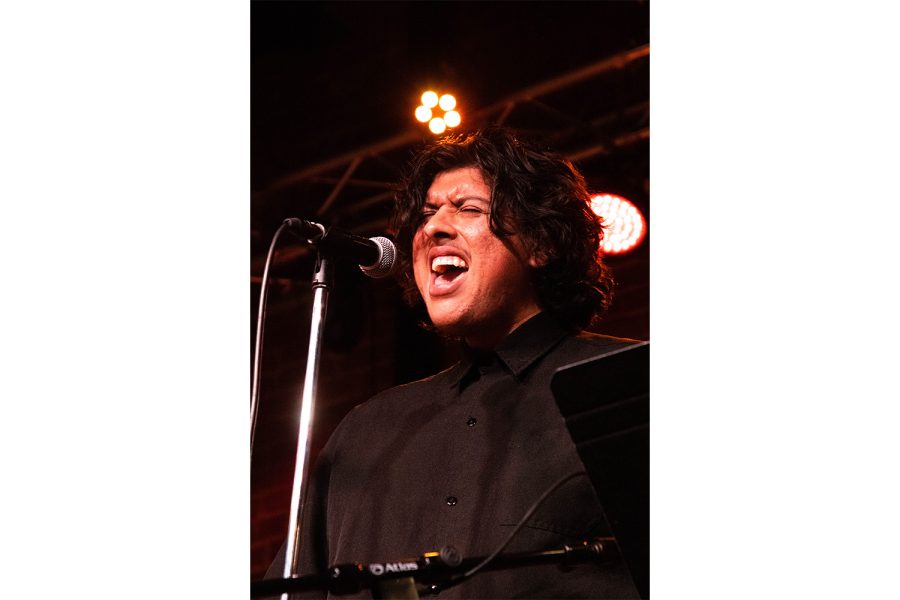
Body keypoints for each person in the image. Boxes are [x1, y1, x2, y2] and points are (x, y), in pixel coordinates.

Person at [265, 126, 644, 599]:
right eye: (427, 214)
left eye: (468, 209)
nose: (433, 228)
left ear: (541, 244)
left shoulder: (632, 384)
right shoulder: (366, 430)